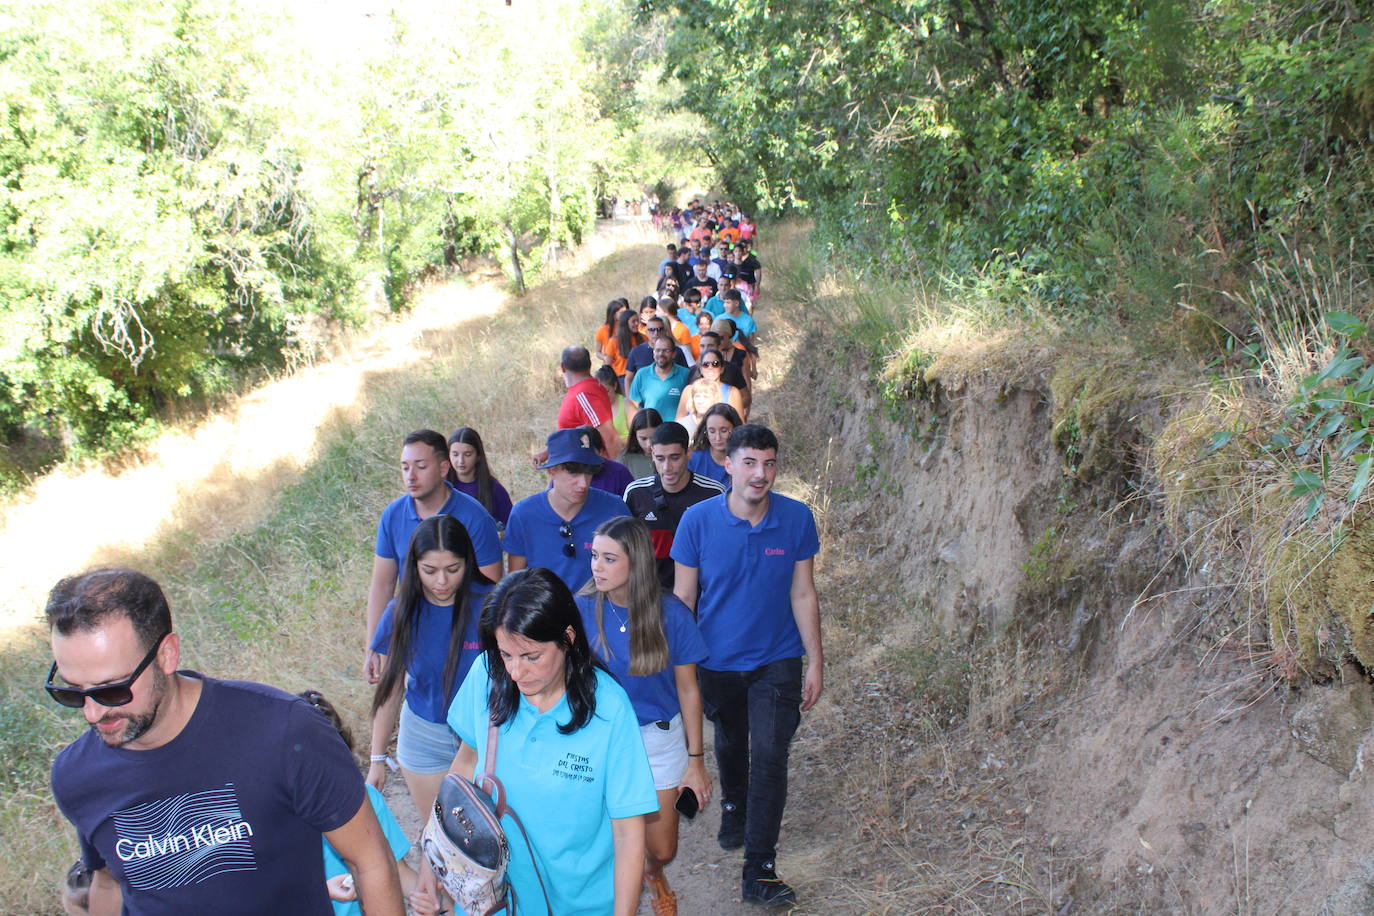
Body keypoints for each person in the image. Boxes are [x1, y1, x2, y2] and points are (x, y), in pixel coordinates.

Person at [46, 569, 404, 915]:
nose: (92, 714)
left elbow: (370, 860)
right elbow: (109, 883)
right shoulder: (76, 776)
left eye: (113, 688)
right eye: (72, 692)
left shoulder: (284, 731)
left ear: (166, 655)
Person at [424, 568, 658, 916]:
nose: (516, 672)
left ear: (567, 637)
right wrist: (435, 861)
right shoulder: (487, 676)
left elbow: (627, 831)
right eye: (506, 654)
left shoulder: (609, 708)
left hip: (582, 903)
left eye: (531, 656)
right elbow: (463, 767)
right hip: (495, 900)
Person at [671, 426, 822, 907]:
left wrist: (815, 659)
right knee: (732, 739)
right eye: (751, 463)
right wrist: (681, 669)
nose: (761, 473)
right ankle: (733, 804)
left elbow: (802, 592)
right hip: (717, 660)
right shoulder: (696, 522)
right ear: (729, 465)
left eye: (770, 463)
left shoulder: (797, 519)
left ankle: (759, 868)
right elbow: (683, 599)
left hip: (777, 658)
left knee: (772, 753)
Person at [576, 518, 710, 916]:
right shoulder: (580, 610)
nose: (597, 567)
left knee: (663, 849)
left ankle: (652, 872)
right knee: (611, 836)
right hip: (598, 738)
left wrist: (697, 762)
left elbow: (689, 689)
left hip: (657, 737)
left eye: (609, 558)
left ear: (635, 563)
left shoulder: (671, 614)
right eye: (595, 556)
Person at [366, 514, 493, 822]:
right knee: (441, 837)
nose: (441, 581)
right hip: (424, 737)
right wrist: (376, 759)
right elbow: (391, 689)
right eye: (429, 570)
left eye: (453, 569)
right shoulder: (402, 613)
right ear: (413, 567)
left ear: (468, 562)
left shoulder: (493, 604)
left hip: (486, 736)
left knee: (494, 837)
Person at [365, 430, 503, 682]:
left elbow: (490, 590)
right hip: (415, 633)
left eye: (420, 466)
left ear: (442, 468)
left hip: (465, 639)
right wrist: (374, 645)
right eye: (405, 467)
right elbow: (383, 584)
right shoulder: (393, 516)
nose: (411, 475)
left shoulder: (475, 517)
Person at [295, 690, 434, 916]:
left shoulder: (366, 800)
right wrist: (321, 891)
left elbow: (396, 871)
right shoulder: (274, 815)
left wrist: (427, 897)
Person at [505, 428, 630, 593]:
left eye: (589, 472)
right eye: (573, 472)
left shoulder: (615, 509)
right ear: (552, 471)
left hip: (602, 613)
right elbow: (514, 584)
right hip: (546, 614)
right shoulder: (523, 515)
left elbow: (635, 570)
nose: (583, 483)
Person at [623, 421, 725, 589]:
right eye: (660, 458)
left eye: (675, 457)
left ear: (689, 452)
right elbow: (625, 548)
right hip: (650, 596)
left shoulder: (714, 494)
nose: (667, 467)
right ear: (652, 454)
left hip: (700, 596)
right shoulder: (636, 493)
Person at [551, 345, 624, 460]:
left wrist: (618, 474)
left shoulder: (585, 395)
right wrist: (547, 452)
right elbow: (569, 432)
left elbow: (610, 438)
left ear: (563, 367)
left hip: (588, 469)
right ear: (589, 364)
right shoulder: (583, 390)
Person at [447, 427, 513, 530]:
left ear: (478, 456)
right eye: (455, 454)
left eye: (467, 454)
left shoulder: (494, 489)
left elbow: (512, 527)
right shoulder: (441, 486)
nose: (460, 461)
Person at [675, 349, 746, 437]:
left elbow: (740, 427)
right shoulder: (689, 390)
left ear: (722, 368)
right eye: (706, 364)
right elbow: (679, 422)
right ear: (700, 369)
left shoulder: (732, 392)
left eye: (715, 364)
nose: (710, 367)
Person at [629, 338, 690, 424]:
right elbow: (633, 406)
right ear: (653, 353)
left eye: (666, 350)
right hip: (651, 431)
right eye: (657, 350)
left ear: (674, 354)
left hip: (676, 431)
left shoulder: (686, 374)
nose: (661, 354)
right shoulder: (641, 374)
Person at [624, 315, 688, 386]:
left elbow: (686, 376)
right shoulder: (636, 351)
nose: (656, 333)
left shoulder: (676, 351)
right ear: (646, 332)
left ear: (665, 331)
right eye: (651, 330)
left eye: (659, 329)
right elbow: (628, 378)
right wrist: (629, 396)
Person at [688, 403, 742, 487]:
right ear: (706, 432)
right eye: (712, 431)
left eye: (724, 430)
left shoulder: (745, 459)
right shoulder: (694, 459)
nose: (717, 438)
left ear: (735, 429)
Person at [581, 425, 635, 497]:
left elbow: (633, 503)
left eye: (589, 453)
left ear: (601, 451)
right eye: (580, 453)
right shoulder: (567, 474)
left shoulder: (619, 473)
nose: (584, 458)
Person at [603, 310, 645, 389]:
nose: (637, 324)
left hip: (642, 377)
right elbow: (607, 365)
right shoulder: (614, 341)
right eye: (633, 321)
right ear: (625, 323)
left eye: (637, 321)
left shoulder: (644, 338)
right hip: (622, 379)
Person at [620, 408, 662, 481]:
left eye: (653, 437)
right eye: (643, 438)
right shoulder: (624, 459)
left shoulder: (671, 455)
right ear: (635, 436)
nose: (649, 444)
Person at [596, 364, 632, 440]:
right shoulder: (595, 407)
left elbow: (635, 437)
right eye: (600, 392)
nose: (603, 396)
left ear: (615, 386)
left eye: (607, 391)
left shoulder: (627, 405)